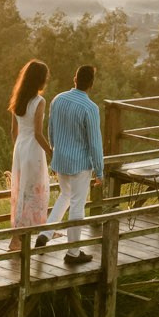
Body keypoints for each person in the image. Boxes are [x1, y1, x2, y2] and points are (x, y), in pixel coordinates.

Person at [44, 64, 104, 264]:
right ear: (91, 84)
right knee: (78, 204)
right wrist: (99, 171)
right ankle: (73, 253)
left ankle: (45, 233)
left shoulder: (58, 100)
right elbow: (95, 143)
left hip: (60, 160)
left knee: (66, 195)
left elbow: (51, 129)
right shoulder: (90, 108)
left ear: (74, 78)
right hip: (79, 164)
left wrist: (55, 152)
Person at [7, 58, 52, 253]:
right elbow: (38, 133)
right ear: (40, 80)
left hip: (20, 148)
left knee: (21, 191)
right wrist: (51, 153)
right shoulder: (39, 101)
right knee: (33, 191)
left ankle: (18, 235)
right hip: (33, 149)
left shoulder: (18, 99)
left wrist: (18, 148)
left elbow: (12, 131)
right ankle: (19, 237)